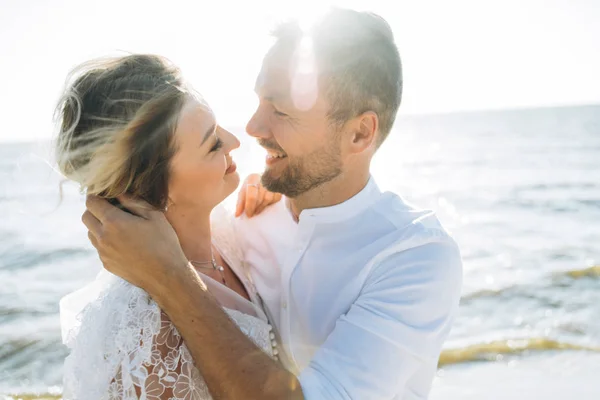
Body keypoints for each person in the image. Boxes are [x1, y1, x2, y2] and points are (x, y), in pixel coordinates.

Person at [83, 8, 463, 400]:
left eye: (281, 111)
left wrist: (170, 277)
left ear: (359, 133)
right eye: (261, 100)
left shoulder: (413, 256)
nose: (252, 128)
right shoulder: (240, 223)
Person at [56, 54, 283, 399]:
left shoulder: (228, 236)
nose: (234, 142)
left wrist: (278, 196)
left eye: (218, 126)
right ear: (158, 193)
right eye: (212, 144)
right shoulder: (147, 337)